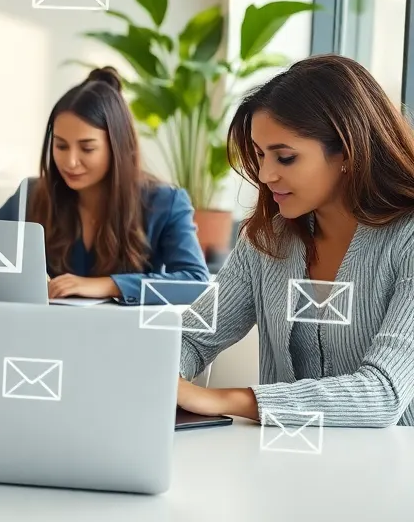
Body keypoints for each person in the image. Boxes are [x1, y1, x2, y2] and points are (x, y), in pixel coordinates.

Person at [176, 55, 414, 427]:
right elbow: (194, 337)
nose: (266, 174)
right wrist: (161, 373)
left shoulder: (407, 239)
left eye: (285, 158)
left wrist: (221, 399)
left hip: (393, 470)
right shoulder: (266, 239)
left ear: (347, 153)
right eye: (259, 155)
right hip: (283, 463)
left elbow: (383, 393)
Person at [0, 67, 209, 303]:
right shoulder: (31, 195)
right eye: (61, 146)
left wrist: (110, 285)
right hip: (41, 332)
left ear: (117, 147)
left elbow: (196, 283)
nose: (70, 161)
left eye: (87, 148)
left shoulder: (164, 202)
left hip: (126, 336)